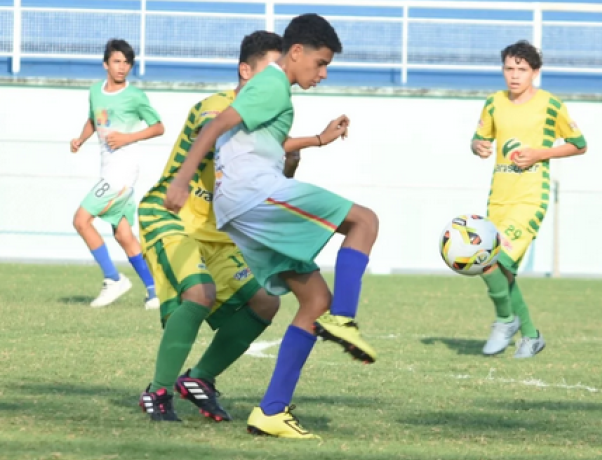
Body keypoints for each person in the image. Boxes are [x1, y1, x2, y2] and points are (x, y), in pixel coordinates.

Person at [164, 14, 379, 439]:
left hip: (240, 203)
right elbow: (217, 124)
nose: (323, 73)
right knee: (365, 221)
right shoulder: (273, 82)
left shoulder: (273, 92)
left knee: (314, 298)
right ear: (295, 52)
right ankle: (346, 321)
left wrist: (316, 140)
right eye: (320, 63)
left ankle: (271, 411)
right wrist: (182, 179)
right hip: (253, 193)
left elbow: (261, 140)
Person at [137, 31, 286, 422]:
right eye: (270, 71)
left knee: (267, 301)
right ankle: (157, 392)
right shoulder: (217, 106)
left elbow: (275, 173)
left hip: (218, 234)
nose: (277, 81)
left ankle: (200, 379)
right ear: (244, 70)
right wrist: (313, 139)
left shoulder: (270, 118)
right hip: (172, 216)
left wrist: (291, 150)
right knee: (199, 293)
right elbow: (217, 130)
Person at [471, 40, 588, 358]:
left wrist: (541, 152)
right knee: (502, 271)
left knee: (490, 263)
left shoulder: (551, 104)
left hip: (530, 199)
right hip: (499, 199)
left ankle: (505, 320)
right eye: (509, 68)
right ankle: (532, 336)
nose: (514, 75)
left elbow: (579, 144)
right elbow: (480, 139)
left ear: (535, 72)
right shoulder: (493, 103)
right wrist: (477, 146)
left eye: (521, 69)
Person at [70, 38, 165, 309]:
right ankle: (153, 291)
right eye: (117, 61)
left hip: (121, 173)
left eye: (127, 63)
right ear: (105, 64)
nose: (122, 67)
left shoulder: (135, 96)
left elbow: (158, 127)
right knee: (123, 234)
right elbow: (94, 118)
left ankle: (113, 279)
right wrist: (80, 139)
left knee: (81, 220)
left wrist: (127, 137)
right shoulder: (95, 92)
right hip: (109, 169)